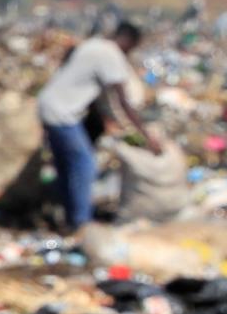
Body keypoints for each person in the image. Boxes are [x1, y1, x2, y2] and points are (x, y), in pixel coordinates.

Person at [37, 21, 157, 231]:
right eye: (132, 47)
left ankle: (66, 216)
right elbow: (122, 100)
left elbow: (94, 91)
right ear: (128, 40)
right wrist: (145, 135)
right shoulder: (111, 54)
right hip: (62, 114)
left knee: (66, 166)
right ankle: (81, 224)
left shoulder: (93, 45)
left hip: (48, 105)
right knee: (84, 165)